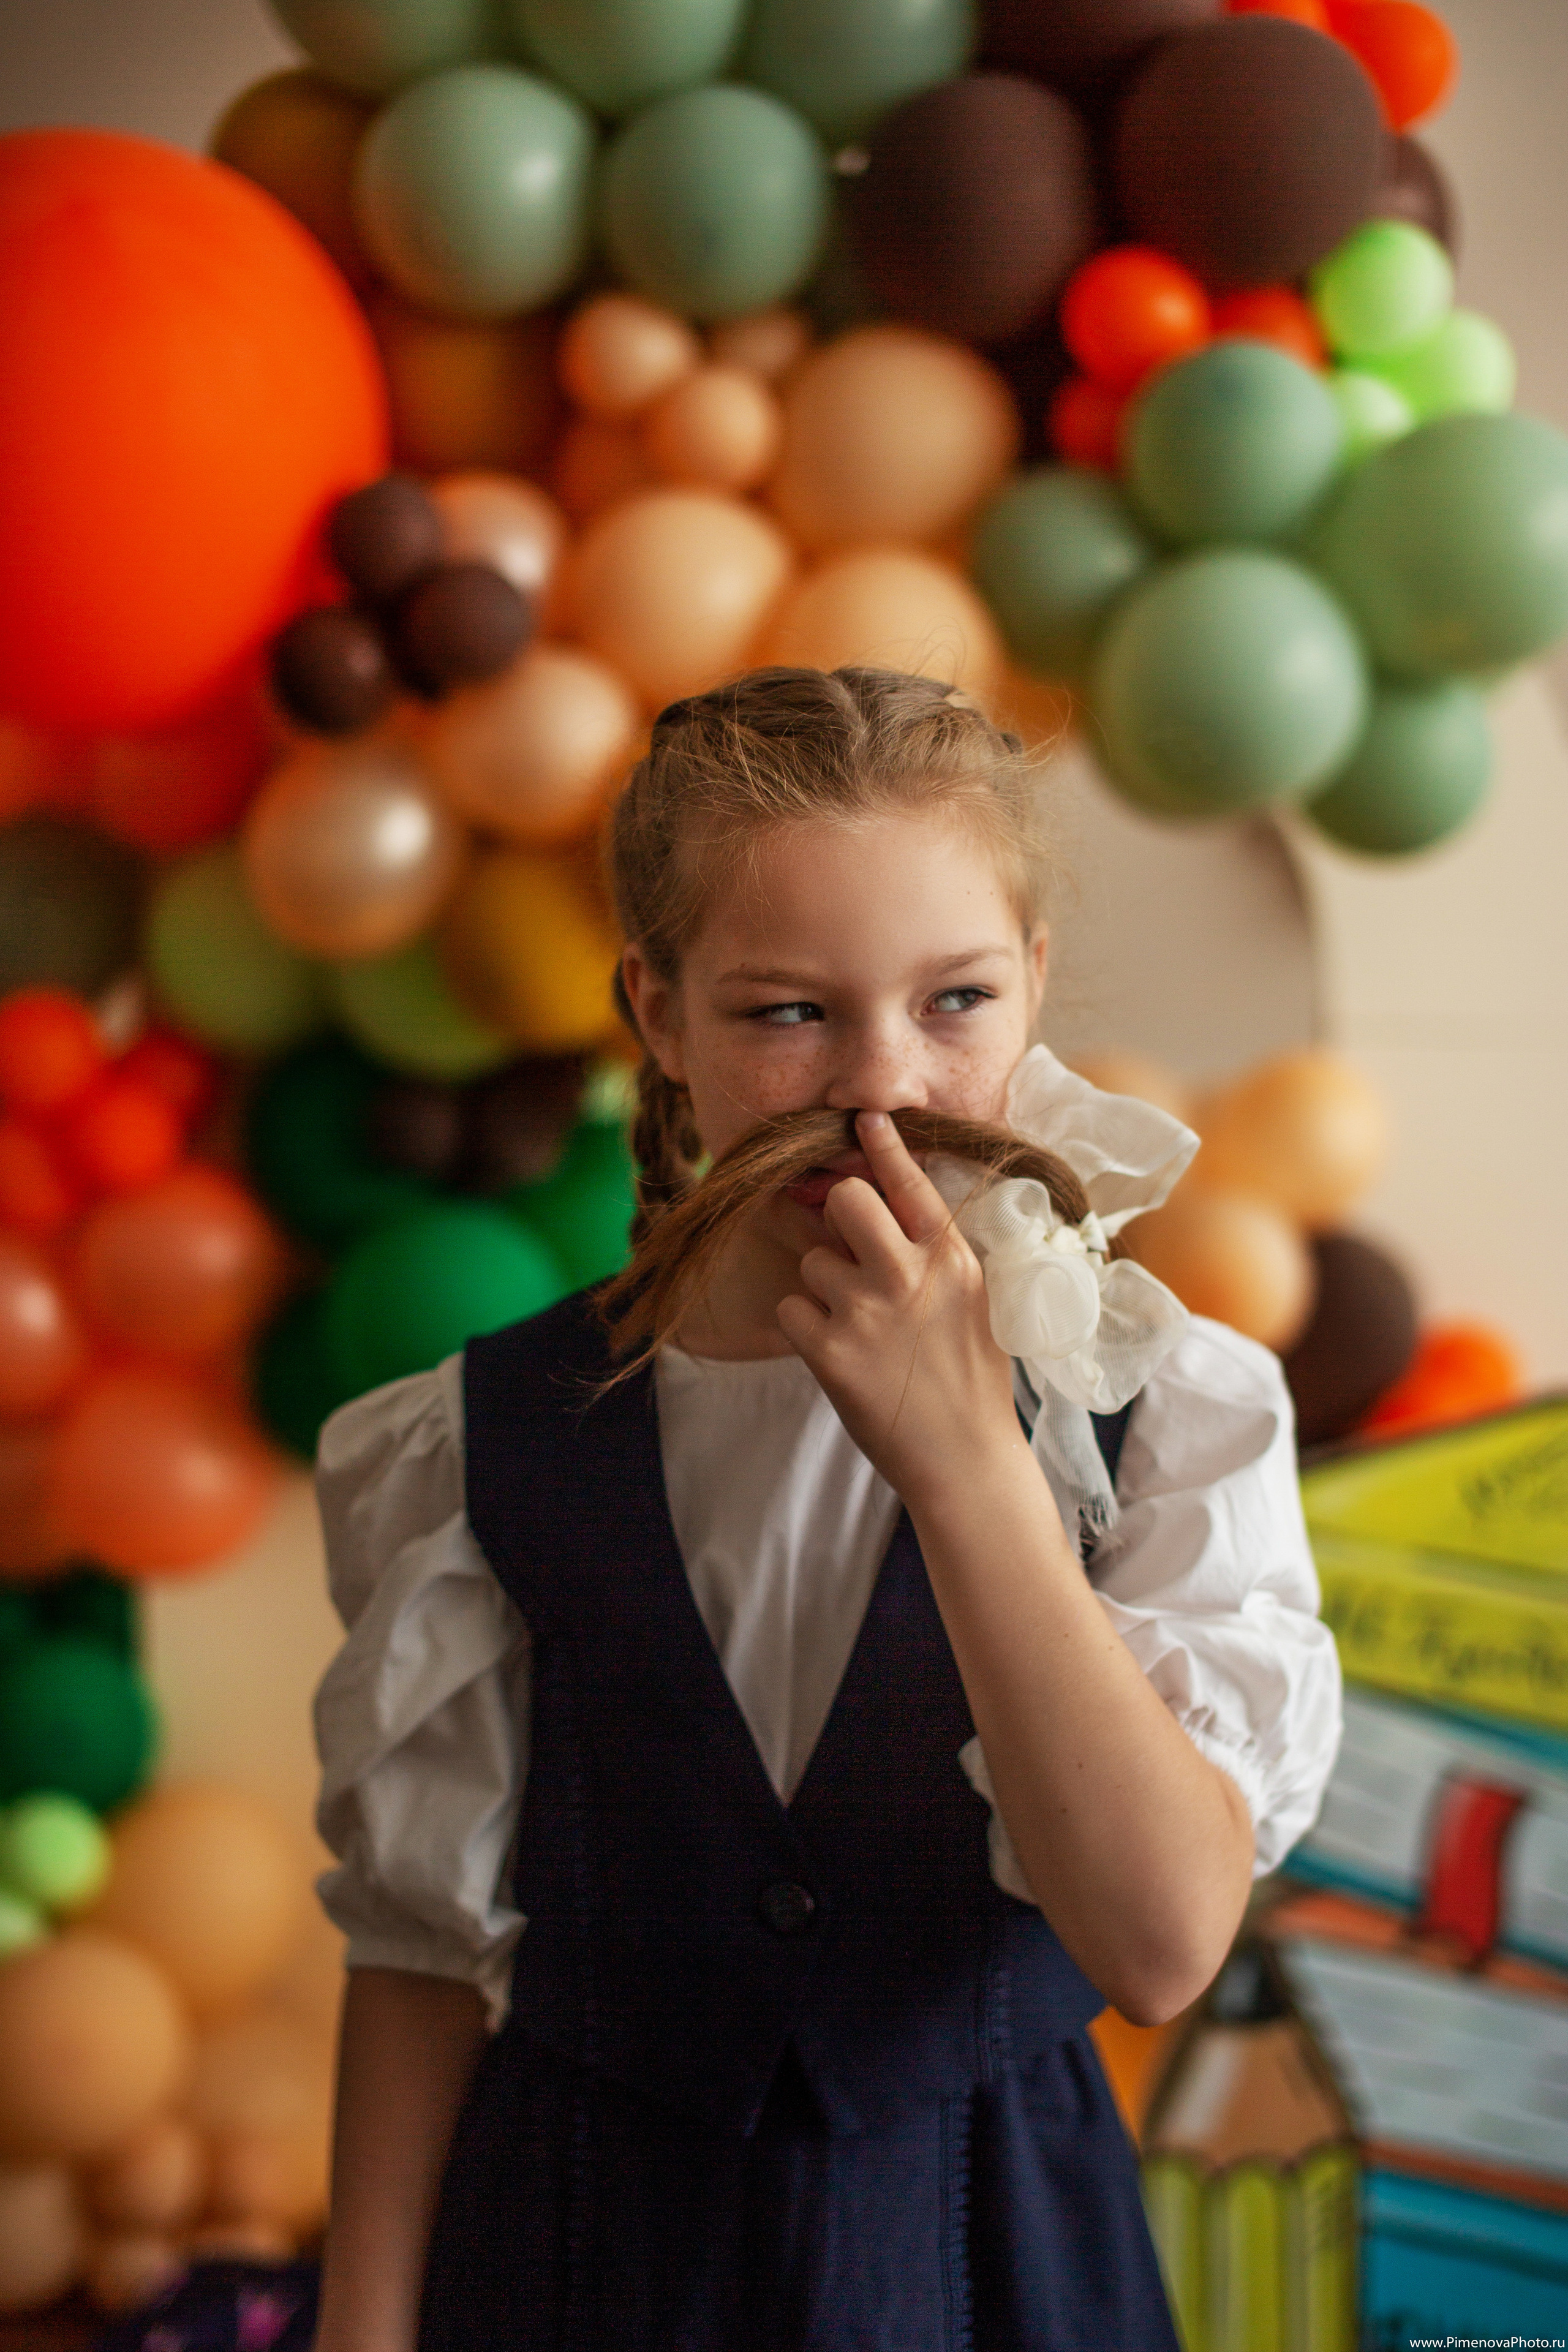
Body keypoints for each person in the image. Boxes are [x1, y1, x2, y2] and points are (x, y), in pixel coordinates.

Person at [309, 667, 1342, 2352]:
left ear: (1037, 986)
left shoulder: (1171, 1412)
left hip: (991, 2251)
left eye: (956, 1000)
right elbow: (419, 1955)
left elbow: (1159, 1943)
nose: (884, 1089)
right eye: (787, 1012)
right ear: (658, 1010)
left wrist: (967, 1468)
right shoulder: (472, 1444)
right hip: (578, 2257)